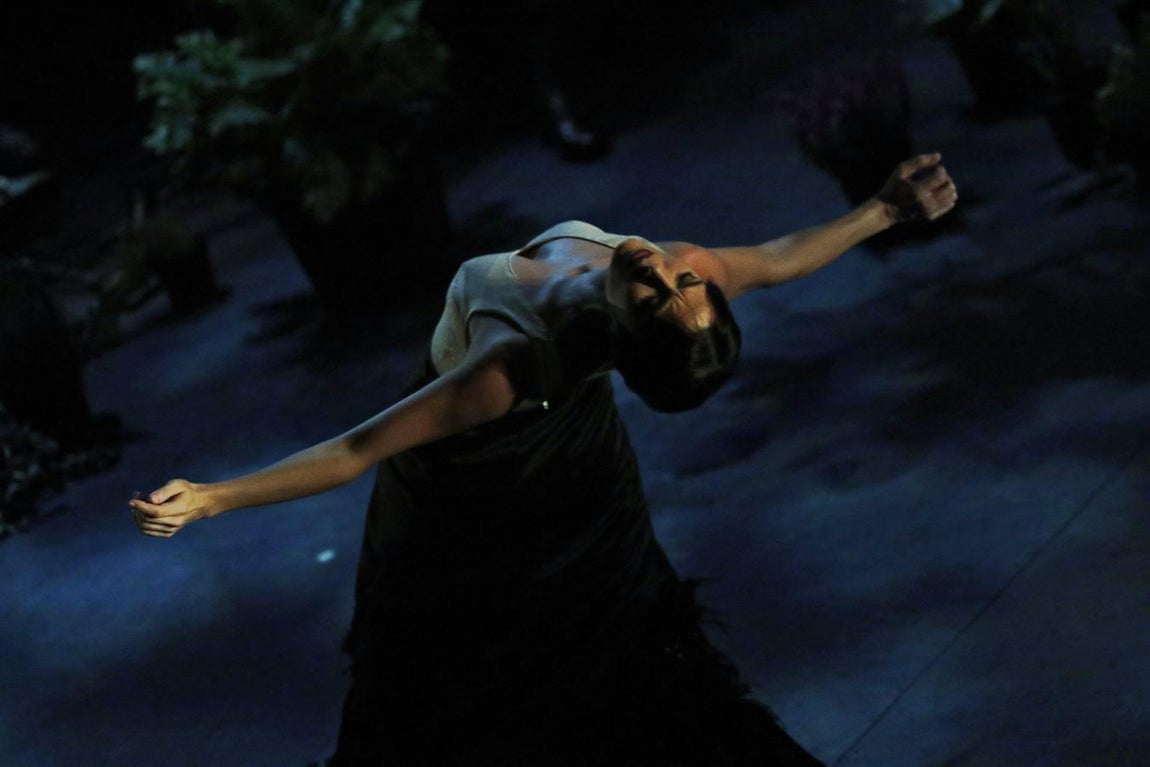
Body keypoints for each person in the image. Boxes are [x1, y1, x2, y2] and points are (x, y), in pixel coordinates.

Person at [129, 153, 958, 765]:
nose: (664, 274)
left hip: (496, 484)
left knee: (575, 667)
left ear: (629, 336)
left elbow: (355, 450)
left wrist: (211, 498)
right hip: (538, 470)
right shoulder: (680, 266)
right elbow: (778, 259)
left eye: (662, 298)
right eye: (682, 284)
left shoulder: (507, 364)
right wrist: (885, 207)